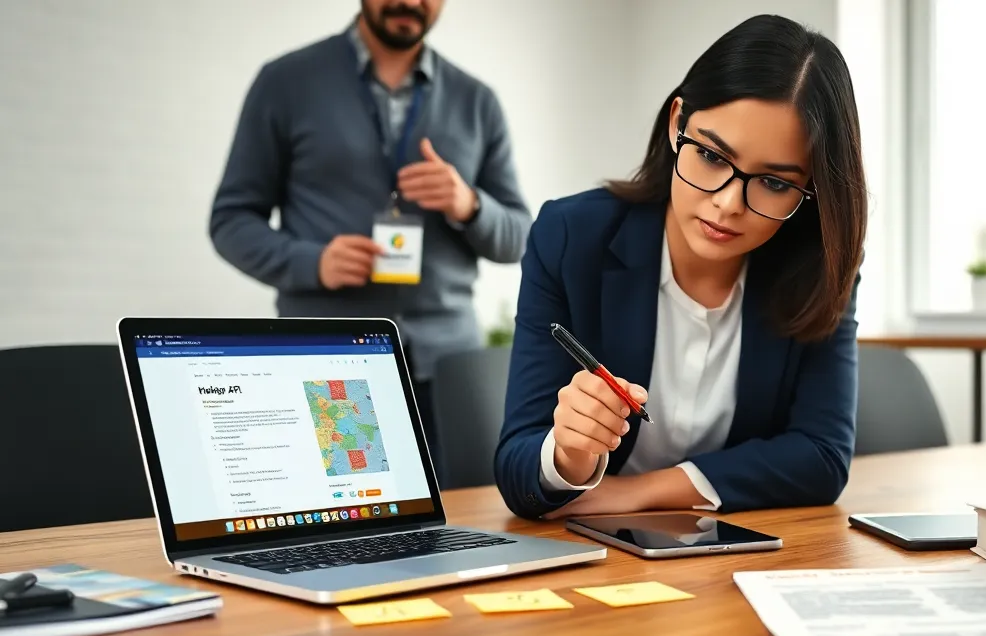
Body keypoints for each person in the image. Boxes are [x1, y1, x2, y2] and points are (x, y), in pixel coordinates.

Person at [494, 14, 867, 520]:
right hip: (592, 553)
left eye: (775, 184)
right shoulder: (571, 236)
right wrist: (570, 455)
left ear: (812, 190)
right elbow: (517, 463)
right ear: (677, 124)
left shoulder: (822, 264)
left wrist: (643, 491)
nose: (728, 203)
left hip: (736, 555)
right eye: (712, 157)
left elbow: (821, 457)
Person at [210, 0, 531, 483]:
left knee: (469, 527)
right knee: (355, 524)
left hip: (450, 372)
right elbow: (231, 219)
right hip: (335, 362)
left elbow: (520, 237)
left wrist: (470, 205)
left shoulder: (477, 100)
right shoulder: (286, 82)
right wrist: (311, 263)